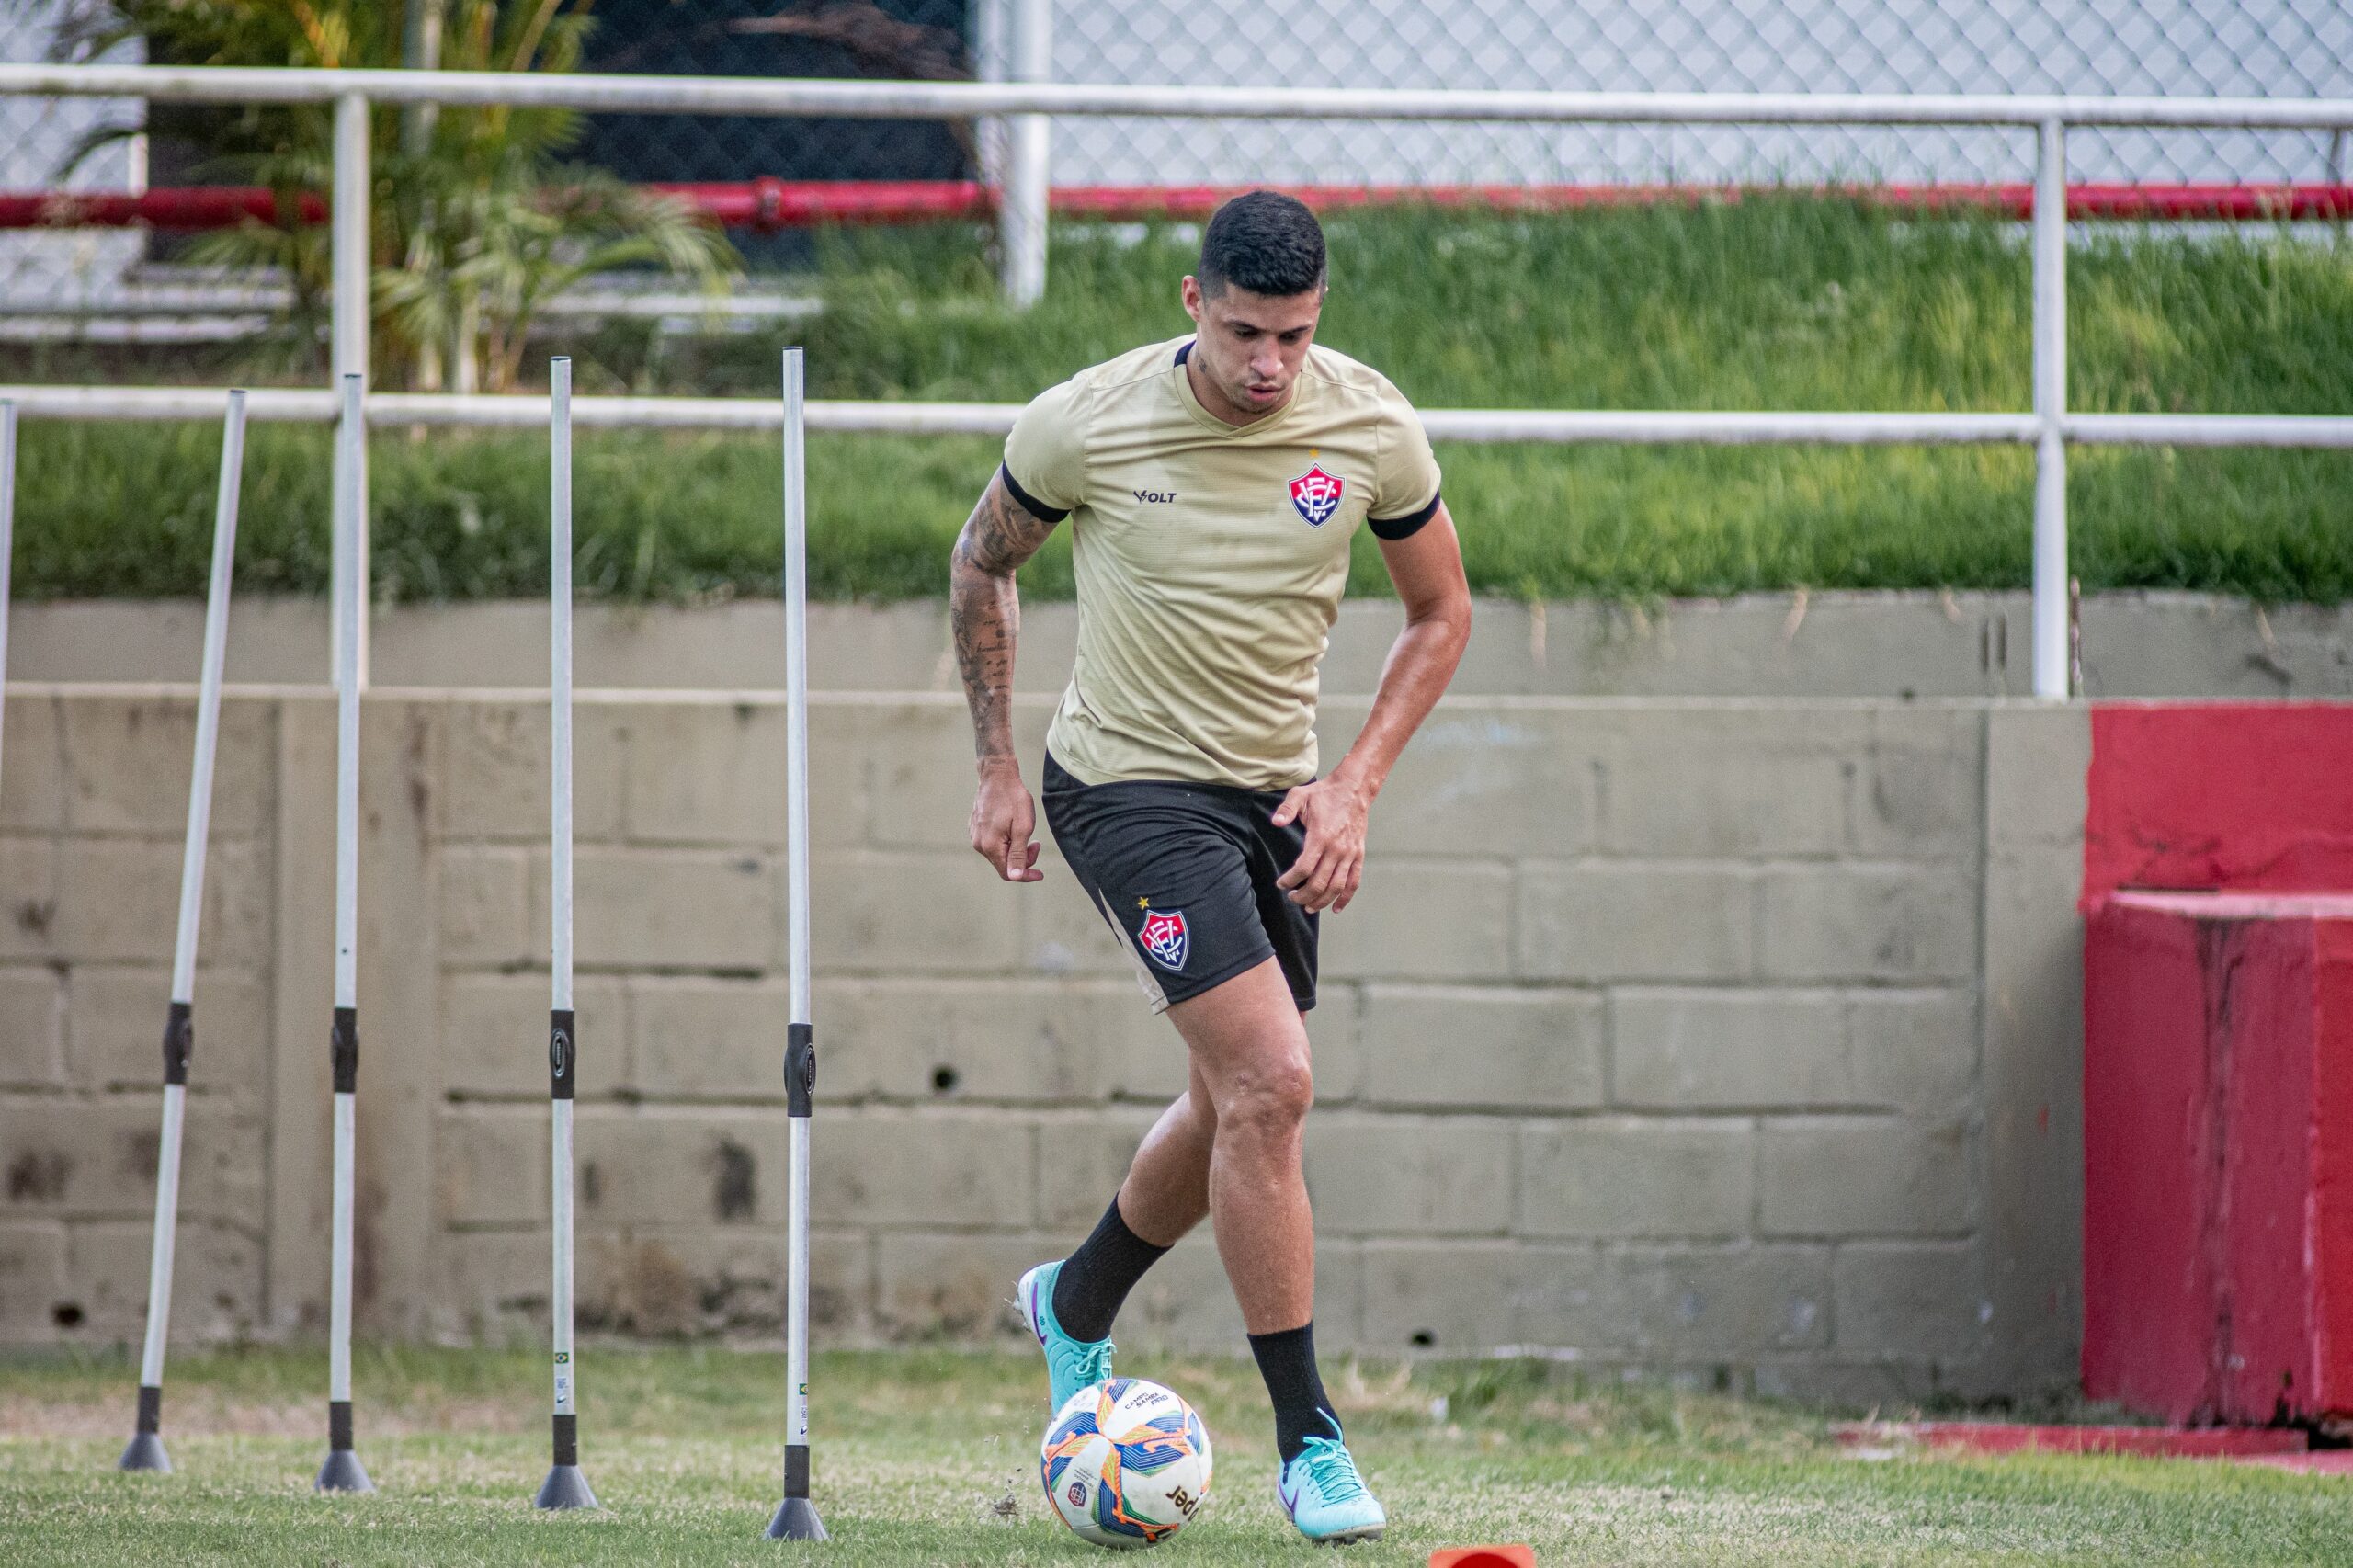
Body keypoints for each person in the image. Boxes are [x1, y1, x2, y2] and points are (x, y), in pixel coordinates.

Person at [948, 190, 1472, 1545]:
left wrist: (1352, 785)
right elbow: (981, 564)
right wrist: (999, 764)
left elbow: (1439, 611)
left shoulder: (1368, 427)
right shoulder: (1089, 419)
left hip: (1277, 798)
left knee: (1230, 1106)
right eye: (1244, 332)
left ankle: (1075, 1299)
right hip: (1123, 787)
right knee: (1273, 1081)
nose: (1268, 366)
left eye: (1293, 336)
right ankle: (1311, 1443)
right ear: (1193, 302)